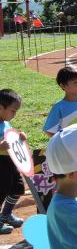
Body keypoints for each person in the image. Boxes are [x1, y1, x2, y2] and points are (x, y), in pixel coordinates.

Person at [0, 89, 27, 234]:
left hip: (11, 161)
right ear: (1, 107)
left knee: (18, 188)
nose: (14, 114)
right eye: (13, 110)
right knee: (1, 191)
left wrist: (19, 136)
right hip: (1, 163)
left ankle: (6, 214)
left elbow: (10, 137)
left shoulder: (6, 123)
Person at [44, 67, 77, 137]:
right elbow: (49, 131)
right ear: (63, 85)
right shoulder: (59, 107)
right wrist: (62, 142)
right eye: (75, 82)